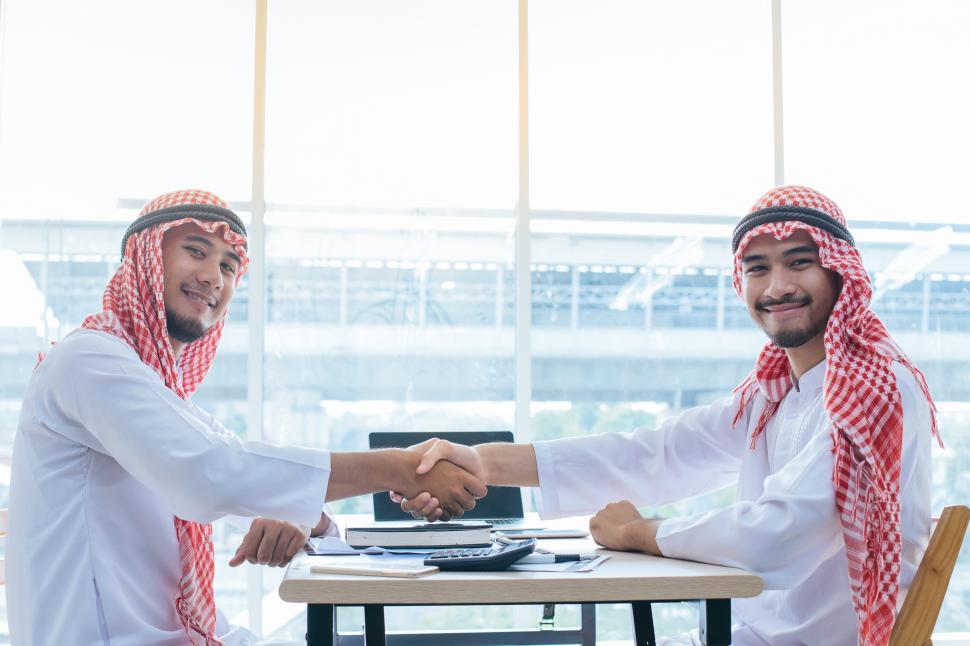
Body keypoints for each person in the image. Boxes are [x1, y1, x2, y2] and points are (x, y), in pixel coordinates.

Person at [396, 185, 938, 646]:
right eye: (758, 269)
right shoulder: (775, 391)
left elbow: (777, 532)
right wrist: (482, 462)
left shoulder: (876, 387)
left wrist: (641, 532)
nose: (777, 287)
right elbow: (657, 453)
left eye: (800, 262)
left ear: (841, 273)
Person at [5, 189, 487, 646]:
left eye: (229, 265)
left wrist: (306, 521)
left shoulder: (165, 398)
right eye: (197, 252)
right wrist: (399, 468)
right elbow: (211, 474)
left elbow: (243, 483)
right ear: (144, 260)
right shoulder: (87, 361)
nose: (215, 276)